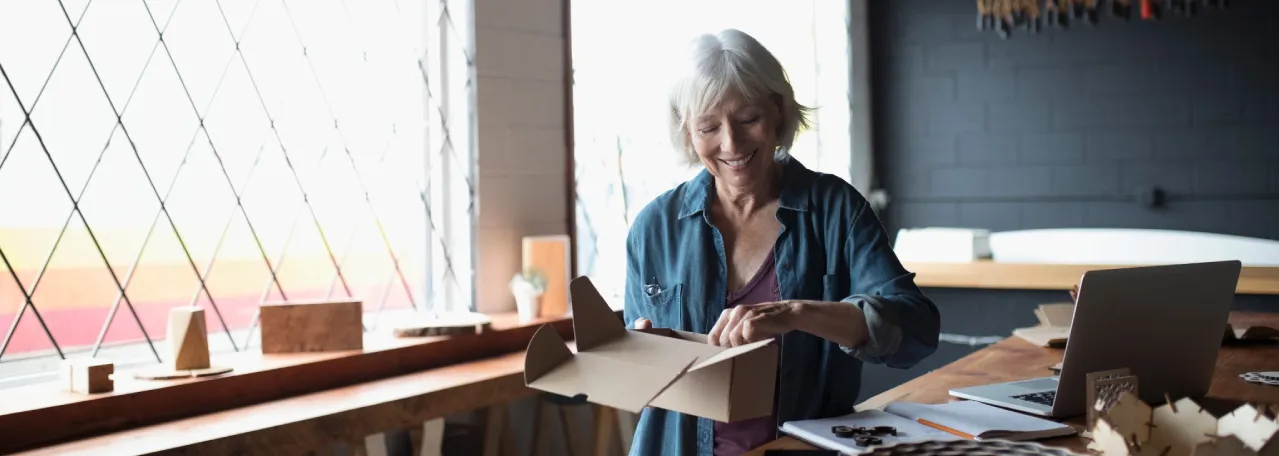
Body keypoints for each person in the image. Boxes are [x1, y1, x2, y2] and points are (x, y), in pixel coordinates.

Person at [622, 29, 942, 456]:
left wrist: (797, 313)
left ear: (777, 110)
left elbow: (917, 330)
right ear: (687, 132)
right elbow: (638, 378)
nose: (731, 144)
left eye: (748, 118)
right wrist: (642, 352)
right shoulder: (654, 227)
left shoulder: (836, 209)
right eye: (709, 127)